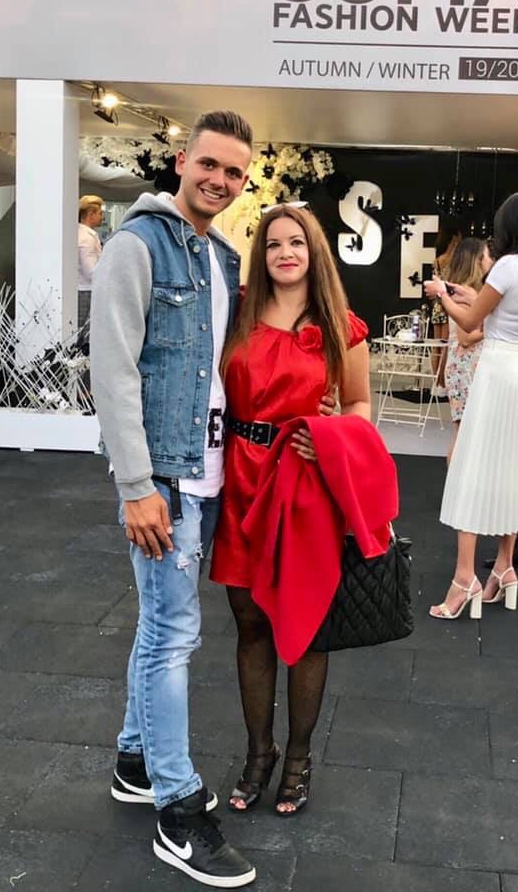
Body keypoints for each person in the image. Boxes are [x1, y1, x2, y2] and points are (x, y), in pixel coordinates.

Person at [90, 111, 258, 888]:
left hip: (210, 471)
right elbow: (113, 369)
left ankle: (136, 758)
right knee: (173, 634)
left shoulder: (222, 256)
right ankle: (176, 808)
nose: (220, 181)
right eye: (210, 164)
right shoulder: (137, 244)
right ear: (183, 159)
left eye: (234, 172)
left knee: (161, 624)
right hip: (163, 479)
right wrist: (136, 485)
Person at [209, 203, 371, 816]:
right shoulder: (237, 311)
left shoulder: (340, 326)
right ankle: (260, 753)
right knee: (249, 623)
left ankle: (299, 758)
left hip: (304, 486)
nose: (285, 252)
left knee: (303, 628)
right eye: (274, 243)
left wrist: (329, 436)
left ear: (314, 252)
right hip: (240, 480)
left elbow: (360, 407)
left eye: (296, 242)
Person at [424, 192, 518, 620]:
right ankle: (505, 567)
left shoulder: (507, 265)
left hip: (497, 373)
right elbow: (498, 310)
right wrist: (467, 295)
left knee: (473, 465)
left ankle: (464, 578)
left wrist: (441, 295)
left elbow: (469, 322)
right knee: (512, 468)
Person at [443, 237, 492, 461]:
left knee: (466, 433)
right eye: (487, 256)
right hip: (464, 370)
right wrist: (493, 329)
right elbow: (465, 338)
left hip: (468, 368)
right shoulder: (464, 294)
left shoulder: (466, 292)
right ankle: (456, 480)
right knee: (464, 434)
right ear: (477, 260)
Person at [429, 216, 462, 394]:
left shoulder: (438, 260)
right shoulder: (455, 261)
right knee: (446, 346)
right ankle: (442, 384)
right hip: (448, 304)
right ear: (455, 237)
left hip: (437, 305)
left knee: (436, 346)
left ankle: (435, 382)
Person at [78, 194, 104, 330]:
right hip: (86, 291)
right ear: (91, 214)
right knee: (84, 332)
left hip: (84, 289)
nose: (102, 217)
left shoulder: (80, 233)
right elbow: (91, 272)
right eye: (100, 213)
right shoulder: (87, 239)